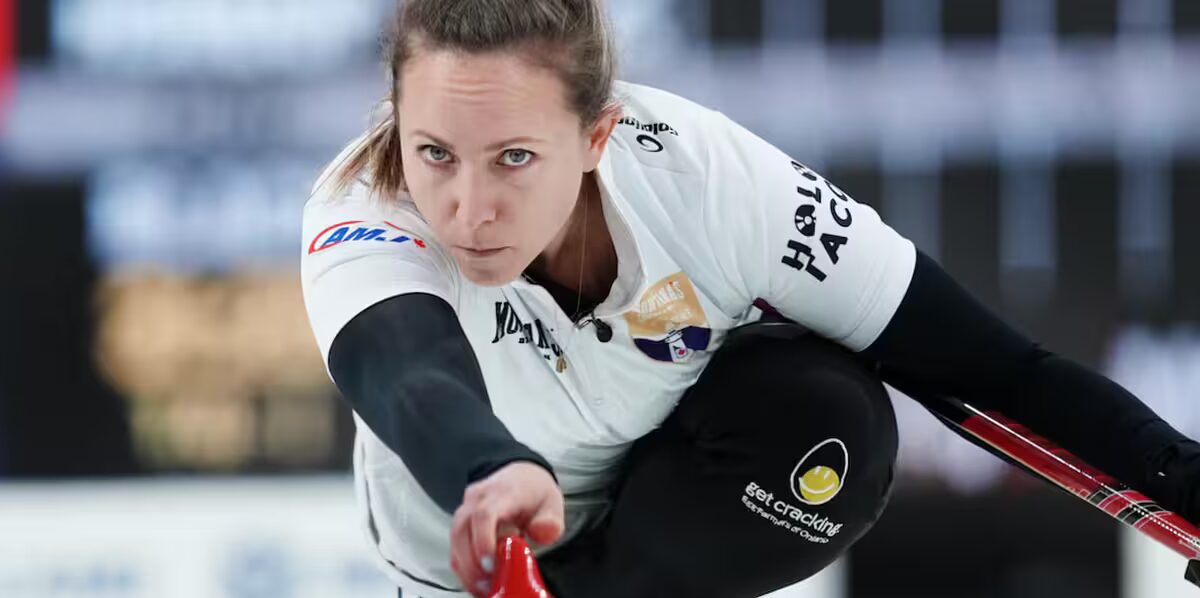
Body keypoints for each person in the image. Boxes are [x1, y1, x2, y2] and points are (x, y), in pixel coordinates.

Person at [300, 1, 1200, 596]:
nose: (467, 207)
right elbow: (410, 375)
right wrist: (489, 471)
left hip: (650, 536)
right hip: (468, 560)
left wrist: (1186, 484)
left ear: (597, 135)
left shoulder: (712, 180)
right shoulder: (363, 203)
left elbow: (996, 371)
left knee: (830, 420)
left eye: (515, 158)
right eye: (436, 154)